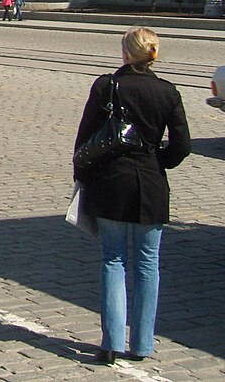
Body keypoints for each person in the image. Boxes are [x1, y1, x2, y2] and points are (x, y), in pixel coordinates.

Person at [74, 27, 191, 366]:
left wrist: (82, 178)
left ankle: (110, 344)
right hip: (150, 185)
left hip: (110, 183)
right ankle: (141, 344)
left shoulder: (106, 86)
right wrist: (158, 161)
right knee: (147, 264)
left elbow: (85, 139)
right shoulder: (168, 92)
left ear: (125, 54)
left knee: (113, 260)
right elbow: (183, 145)